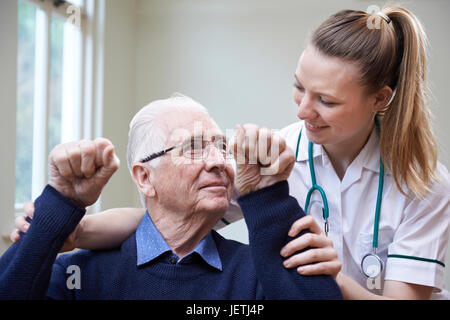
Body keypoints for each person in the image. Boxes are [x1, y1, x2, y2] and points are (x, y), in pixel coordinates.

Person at [12, 4, 450, 299]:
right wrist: (70, 229)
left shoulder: (424, 185)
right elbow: (167, 216)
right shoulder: (278, 156)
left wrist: (329, 273)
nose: (302, 110)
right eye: (299, 87)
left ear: (380, 99)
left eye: (327, 101)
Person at [0, 94, 343, 300]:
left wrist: (266, 194)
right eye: (193, 148)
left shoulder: (257, 273)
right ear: (145, 178)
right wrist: (61, 203)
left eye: (221, 147)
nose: (217, 162)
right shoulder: (79, 275)